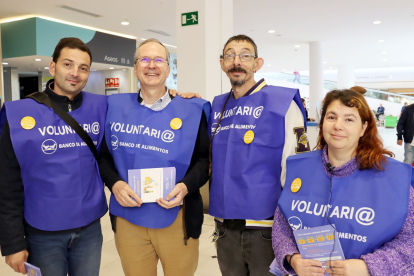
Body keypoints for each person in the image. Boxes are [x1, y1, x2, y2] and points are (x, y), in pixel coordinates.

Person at [99, 38, 210, 276]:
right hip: (129, 219)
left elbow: (204, 160)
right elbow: (104, 158)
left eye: (159, 60)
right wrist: (115, 184)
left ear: (169, 69)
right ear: (136, 67)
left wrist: (185, 186)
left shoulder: (191, 109)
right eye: (145, 59)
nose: (152, 65)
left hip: (177, 217)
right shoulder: (114, 107)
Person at [272, 89, 414, 276]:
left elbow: (410, 243)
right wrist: (293, 258)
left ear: (363, 127)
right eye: (331, 117)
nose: (338, 125)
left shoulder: (393, 178)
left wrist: (368, 267)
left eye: (349, 119)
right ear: (322, 123)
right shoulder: (300, 168)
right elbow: (282, 226)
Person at [0, 38, 107, 276]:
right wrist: (13, 243)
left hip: (89, 229)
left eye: (83, 68)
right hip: (42, 233)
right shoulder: (18, 115)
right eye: (68, 64)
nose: (75, 73)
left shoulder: (101, 107)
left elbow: (141, 106)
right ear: (52, 67)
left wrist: (176, 97)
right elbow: (6, 183)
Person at [209, 34, 309, 276]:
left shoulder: (282, 102)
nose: (237, 61)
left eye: (245, 55)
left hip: (267, 229)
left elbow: (297, 166)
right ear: (222, 63)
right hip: (225, 228)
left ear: (257, 63)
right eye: (230, 55)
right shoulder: (217, 106)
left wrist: (294, 228)